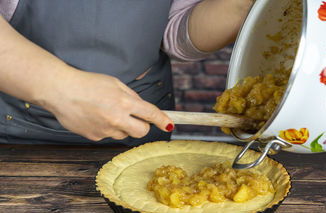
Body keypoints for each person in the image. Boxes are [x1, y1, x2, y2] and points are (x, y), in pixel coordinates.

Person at [0, 0, 255, 145]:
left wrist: (242, 5)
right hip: (17, 133)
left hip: (139, 129)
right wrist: (61, 88)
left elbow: (177, 33)